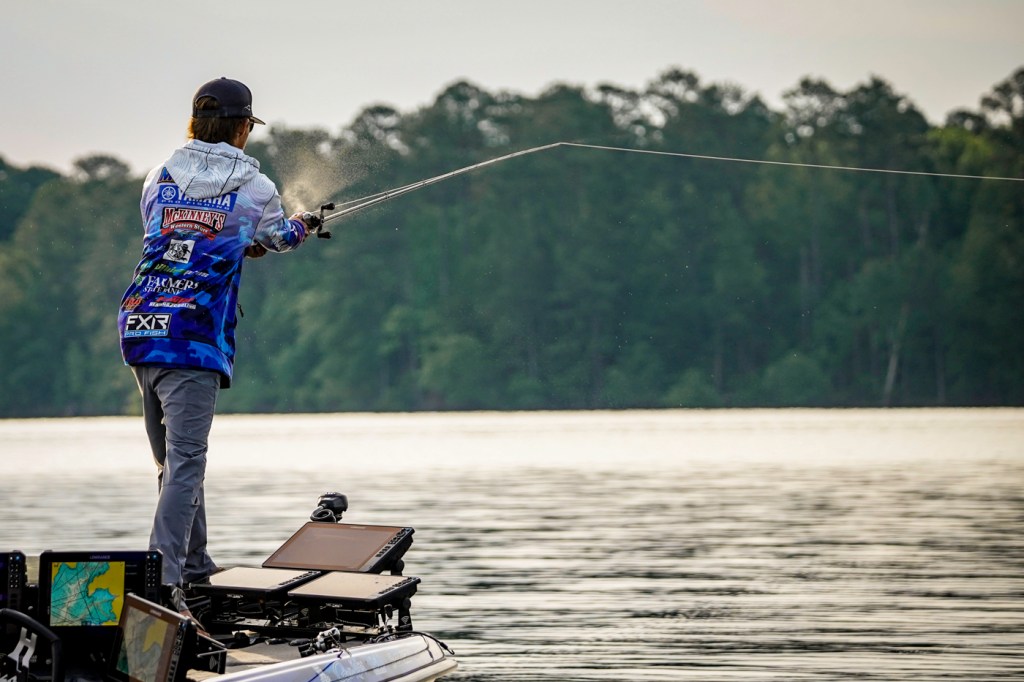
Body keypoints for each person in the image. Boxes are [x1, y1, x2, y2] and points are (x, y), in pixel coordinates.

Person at [117, 77, 312, 617]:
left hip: (141, 327)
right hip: (193, 336)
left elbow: (175, 239)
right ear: (242, 128)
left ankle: (195, 566)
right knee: (185, 463)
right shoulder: (256, 186)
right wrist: (302, 225)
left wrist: (237, 244)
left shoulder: (159, 175)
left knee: (172, 463)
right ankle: (163, 583)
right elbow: (278, 237)